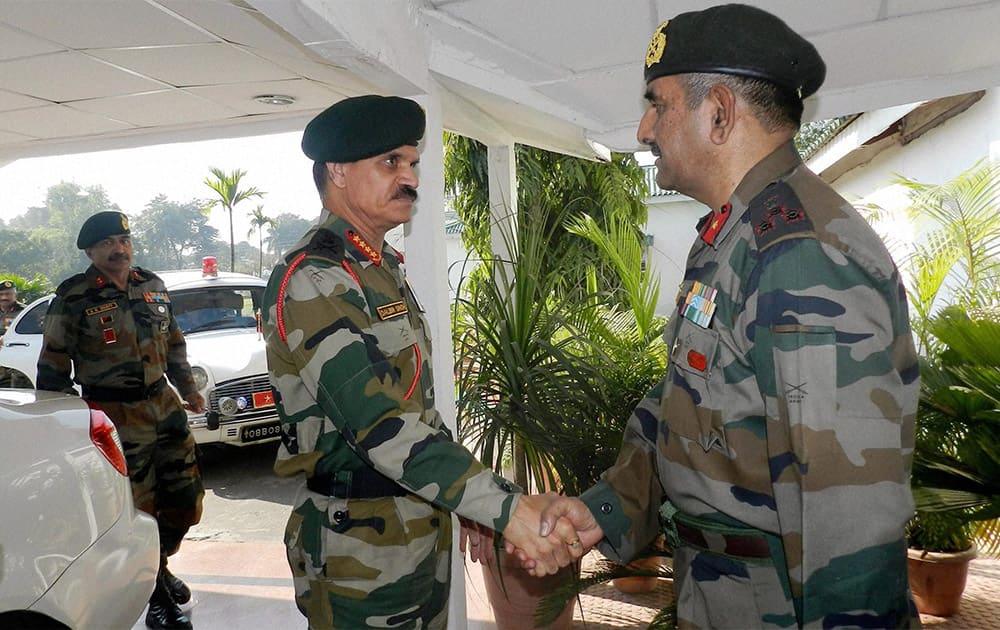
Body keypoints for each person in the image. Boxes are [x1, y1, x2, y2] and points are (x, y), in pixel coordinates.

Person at [531, 5, 922, 628]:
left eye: (658, 104)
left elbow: (846, 513)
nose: (643, 129)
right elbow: (682, 407)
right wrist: (605, 509)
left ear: (718, 111)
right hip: (720, 596)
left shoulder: (799, 255)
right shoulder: (730, 239)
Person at [261, 94, 581, 630]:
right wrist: (503, 509)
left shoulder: (378, 268)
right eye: (392, 163)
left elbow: (418, 411)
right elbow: (382, 424)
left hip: (416, 529)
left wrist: (468, 502)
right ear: (338, 171)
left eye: (413, 163)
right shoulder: (317, 279)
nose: (410, 177)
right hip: (357, 551)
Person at [36, 211, 206, 630]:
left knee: (186, 501)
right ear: (91, 252)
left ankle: (158, 567)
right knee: (136, 512)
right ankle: (155, 597)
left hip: (164, 408)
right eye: (109, 243)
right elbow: (53, 368)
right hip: (113, 417)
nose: (119, 249)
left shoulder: (152, 285)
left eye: (124, 240)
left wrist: (189, 389)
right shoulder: (73, 298)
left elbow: (175, 343)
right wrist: (61, 429)